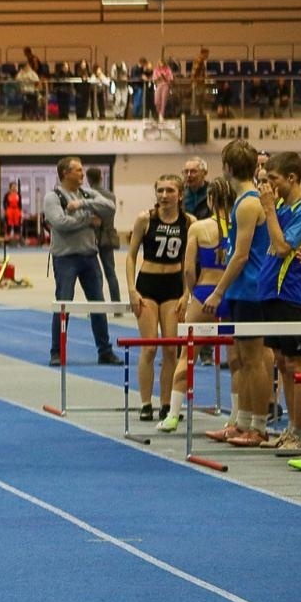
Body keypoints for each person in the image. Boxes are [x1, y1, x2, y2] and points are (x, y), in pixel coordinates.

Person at [202, 140, 272, 447]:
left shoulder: (247, 204)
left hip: (251, 290)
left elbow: (241, 255)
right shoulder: (242, 200)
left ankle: (259, 426)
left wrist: (218, 291)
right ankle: (241, 422)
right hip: (241, 290)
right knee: (241, 360)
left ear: (227, 167)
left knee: (254, 360)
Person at [158, 177, 233, 433]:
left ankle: (173, 415)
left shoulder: (199, 228)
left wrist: (192, 292)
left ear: (210, 200)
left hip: (203, 292)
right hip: (231, 292)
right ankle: (237, 417)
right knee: (238, 358)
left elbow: (188, 268)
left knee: (187, 355)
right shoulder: (239, 226)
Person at [252, 152, 301, 453]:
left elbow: (280, 247)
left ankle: (300, 433)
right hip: (270, 294)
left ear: (291, 178)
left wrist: (267, 208)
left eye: (273, 179)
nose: (268, 186)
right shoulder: (279, 206)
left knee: (295, 364)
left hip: (288, 294)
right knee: (281, 362)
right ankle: (291, 429)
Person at [45, 157, 122, 367]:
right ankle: (57, 351)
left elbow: (110, 206)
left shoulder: (87, 194)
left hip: (89, 256)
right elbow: (60, 223)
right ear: (65, 173)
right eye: (78, 170)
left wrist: (83, 204)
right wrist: (88, 220)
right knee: (63, 304)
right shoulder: (53, 197)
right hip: (65, 258)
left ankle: (105, 351)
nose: (82, 173)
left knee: (98, 304)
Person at [125, 175, 188, 421]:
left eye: (170, 190)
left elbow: (189, 262)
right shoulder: (146, 219)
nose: (164, 195)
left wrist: (186, 293)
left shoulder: (188, 222)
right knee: (149, 347)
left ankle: (166, 403)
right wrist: (131, 289)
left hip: (173, 287)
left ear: (179, 194)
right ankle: (145, 403)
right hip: (148, 286)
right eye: (160, 190)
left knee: (171, 349)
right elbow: (131, 256)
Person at [86, 168, 123, 301]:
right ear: (101, 178)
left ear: (88, 179)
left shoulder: (87, 196)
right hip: (108, 236)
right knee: (111, 273)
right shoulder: (111, 196)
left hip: (91, 238)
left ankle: (97, 303)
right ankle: (116, 303)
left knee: (95, 274)